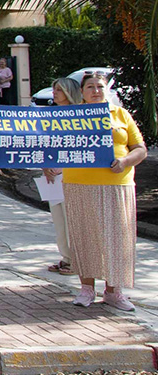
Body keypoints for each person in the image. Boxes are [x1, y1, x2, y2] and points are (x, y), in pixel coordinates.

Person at [62, 72, 147, 311]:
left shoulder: (120, 114)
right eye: (90, 87)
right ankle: (87, 289)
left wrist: (126, 161)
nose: (96, 91)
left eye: (100, 86)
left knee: (117, 237)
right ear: (83, 92)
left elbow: (140, 148)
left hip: (117, 183)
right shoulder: (70, 116)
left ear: (106, 89)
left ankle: (114, 291)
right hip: (79, 183)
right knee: (85, 235)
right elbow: (54, 142)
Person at [42, 77, 83, 276]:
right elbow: (41, 144)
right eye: (54, 89)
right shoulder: (49, 116)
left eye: (59, 90)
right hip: (52, 178)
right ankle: (66, 258)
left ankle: (77, 260)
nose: (54, 93)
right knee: (59, 220)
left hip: (71, 176)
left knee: (71, 220)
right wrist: (44, 166)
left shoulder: (80, 117)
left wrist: (64, 168)